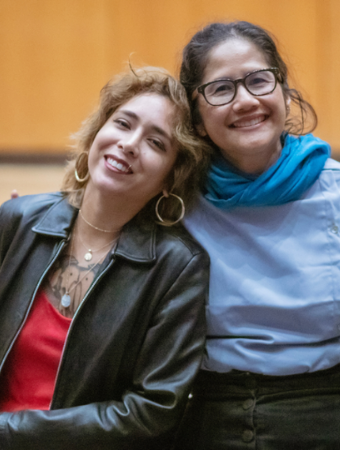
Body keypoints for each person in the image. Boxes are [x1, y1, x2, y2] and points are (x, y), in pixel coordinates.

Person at [175, 21, 340, 449]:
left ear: (285, 92)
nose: (246, 101)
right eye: (221, 89)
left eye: (258, 80)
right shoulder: (176, 202)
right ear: (195, 115)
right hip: (207, 415)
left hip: (325, 414)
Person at [0, 66, 210, 449]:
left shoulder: (178, 267)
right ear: (97, 132)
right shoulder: (16, 221)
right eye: (123, 123)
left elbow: (152, 410)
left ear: (170, 178)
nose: (129, 144)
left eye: (156, 143)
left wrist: (10, 433)